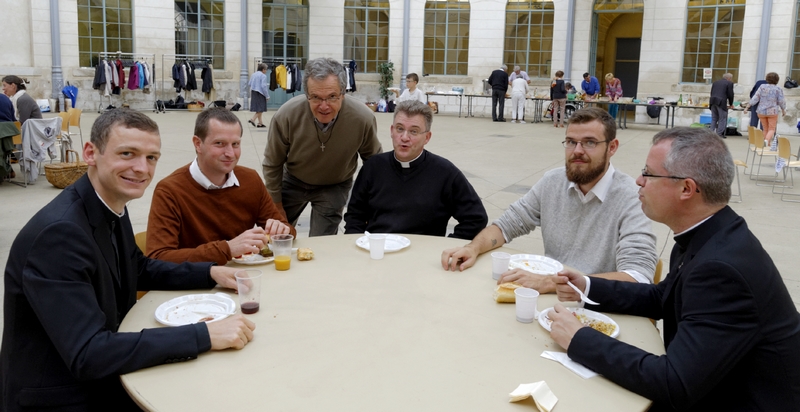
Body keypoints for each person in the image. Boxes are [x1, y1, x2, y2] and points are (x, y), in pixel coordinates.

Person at [0, 109, 256, 411]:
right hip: (62, 396)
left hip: (101, 374)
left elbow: (139, 268)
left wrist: (210, 273)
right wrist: (204, 335)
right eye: (127, 153)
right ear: (91, 153)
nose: (141, 168)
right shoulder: (59, 235)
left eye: (151, 157)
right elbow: (88, 353)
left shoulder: (109, 203)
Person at [549, 127, 800, 411]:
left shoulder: (721, 268)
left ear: (687, 189)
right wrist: (586, 285)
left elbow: (674, 382)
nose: (639, 181)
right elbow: (663, 297)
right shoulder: (707, 232)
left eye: (649, 173)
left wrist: (579, 339)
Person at [441, 107, 657, 293]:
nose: (577, 151)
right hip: (552, 300)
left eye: (589, 143)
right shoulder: (553, 181)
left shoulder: (631, 196)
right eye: (571, 142)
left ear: (612, 147)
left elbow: (638, 277)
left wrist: (551, 283)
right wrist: (473, 248)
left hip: (597, 304)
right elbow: (508, 224)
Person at [147, 107, 294, 265]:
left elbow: (289, 232)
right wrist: (227, 249)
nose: (230, 153)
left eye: (235, 144)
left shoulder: (250, 179)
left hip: (243, 278)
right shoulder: (170, 190)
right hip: (196, 285)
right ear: (198, 144)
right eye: (220, 144)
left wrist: (281, 231)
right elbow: (157, 257)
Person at [262, 57, 382, 236]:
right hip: (293, 180)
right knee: (278, 236)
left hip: (334, 185)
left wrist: (372, 204)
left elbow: (374, 164)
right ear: (306, 94)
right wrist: (276, 205)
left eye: (332, 97)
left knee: (322, 243)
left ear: (343, 93)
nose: (324, 106)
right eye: (316, 97)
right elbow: (272, 163)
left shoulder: (362, 118)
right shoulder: (286, 115)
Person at [344, 100, 487, 239]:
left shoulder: (445, 173)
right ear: (392, 131)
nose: (404, 137)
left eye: (414, 131)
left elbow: (476, 219)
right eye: (400, 129)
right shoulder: (373, 167)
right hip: (377, 252)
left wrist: (447, 246)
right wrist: (357, 243)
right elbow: (355, 216)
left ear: (427, 137)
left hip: (423, 256)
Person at [749, 72, 785, 147]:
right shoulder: (778, 89)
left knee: (765, 128)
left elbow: (755, 97)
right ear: (777, 80)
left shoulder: (762, 86)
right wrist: (783, 109)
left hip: (761, 111)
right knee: (771, 129)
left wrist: (748, 106)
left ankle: (766, 144)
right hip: (772, 112)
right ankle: (766, 140)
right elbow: (781, 101)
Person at [709, 73, 734, 138]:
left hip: (712, 101)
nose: (731, 79)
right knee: (722, 118)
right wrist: (731, 104)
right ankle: (719, 134)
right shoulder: (729, 83)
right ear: (729, 78)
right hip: (721, 102)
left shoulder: (715, 82)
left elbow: (711, 92)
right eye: (731, 78)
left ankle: (711, 133)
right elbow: (730, 95)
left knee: (714, 118)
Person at [248, 63, 270, 128]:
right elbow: (263, 86)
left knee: (258, 108)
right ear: (263, 70)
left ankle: (260, 123)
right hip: (260, 93)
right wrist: (267, 96)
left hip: (253, 92)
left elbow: (249, 83)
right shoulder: (263, 76)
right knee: (261, 108)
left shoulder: (253, 74)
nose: (266, 71)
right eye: (266, 70)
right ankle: (253, 119)